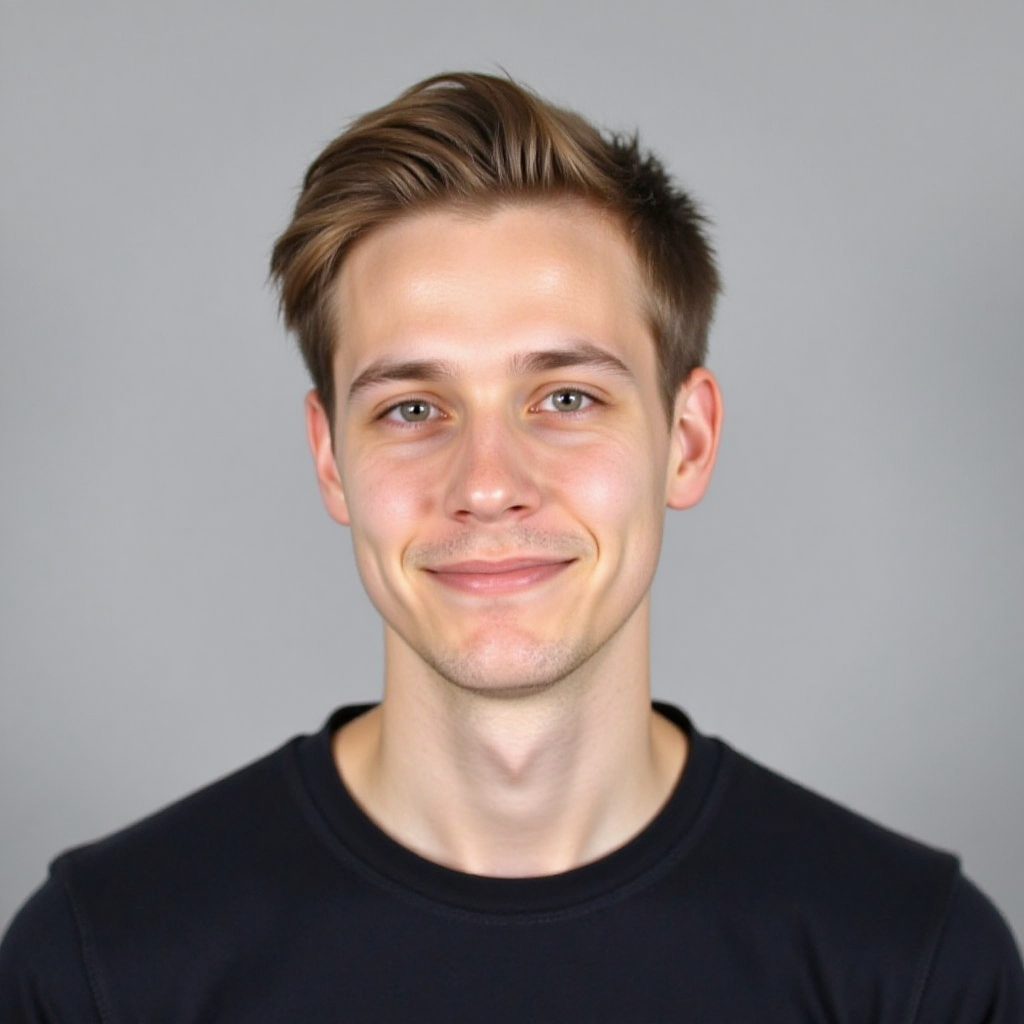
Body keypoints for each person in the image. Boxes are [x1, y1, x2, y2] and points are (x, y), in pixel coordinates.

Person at [1, 71, 1021, 1023]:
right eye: (411, 407)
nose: (486, 483)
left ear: (687, 439)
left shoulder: (910, 961)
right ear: (328, 459)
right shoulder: (104, 962)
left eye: (566, 397)